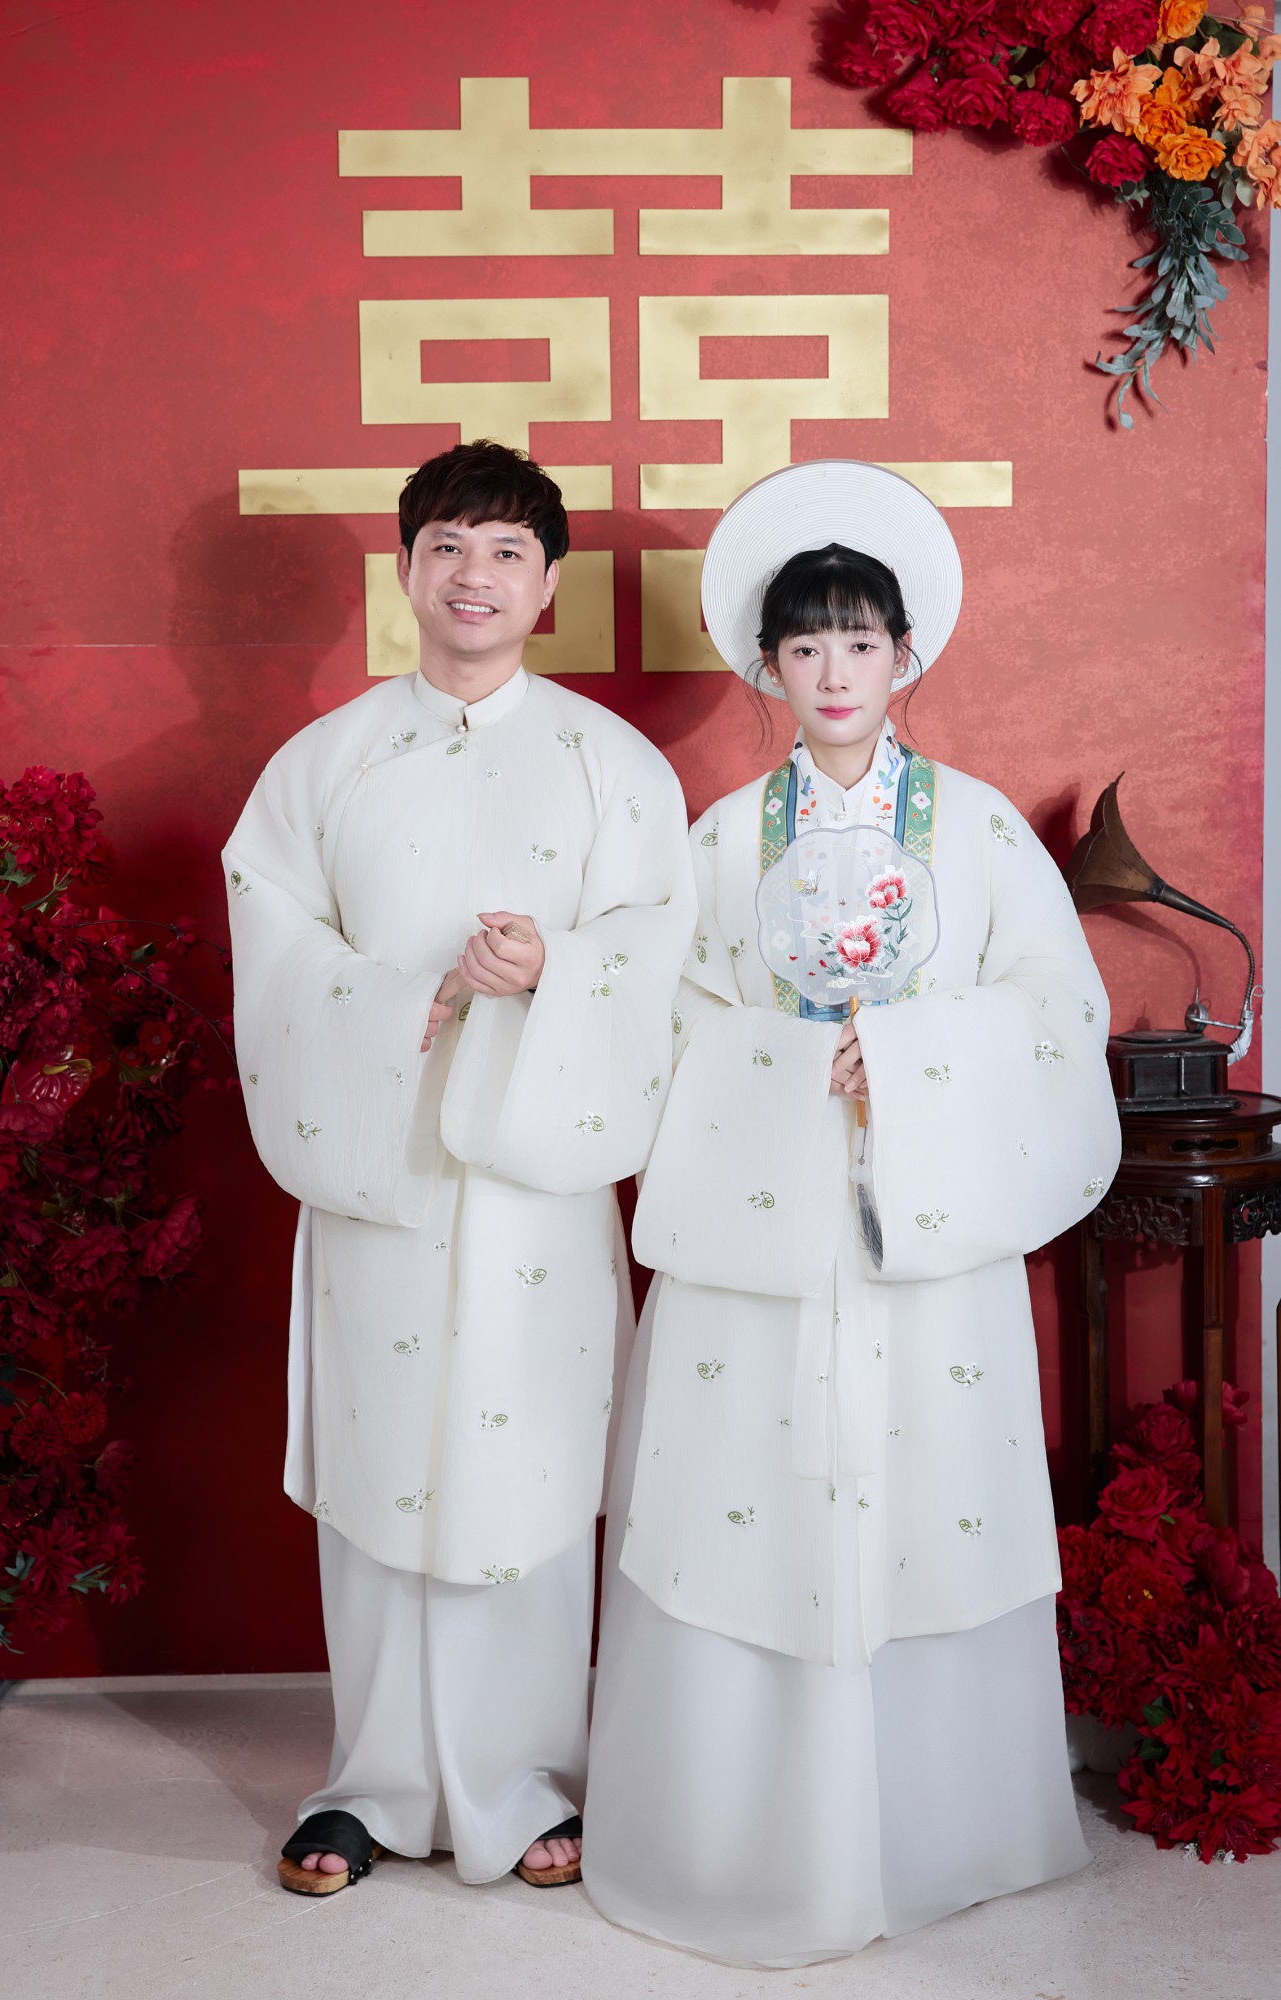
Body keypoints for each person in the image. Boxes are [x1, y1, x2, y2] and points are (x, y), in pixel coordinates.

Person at [582, 460, 1122, 1966]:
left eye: (860, 642)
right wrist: (783, 1061)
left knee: (925, 1492)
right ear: (767, 666)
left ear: (906, 657)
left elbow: (1054, 1008)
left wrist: (904, 1055)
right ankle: (735, 1837)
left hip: (916, 1219)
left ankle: (940, 1834)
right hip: (758, 1214)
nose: (832, 671)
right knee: (743, 1497)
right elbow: (667, 1015)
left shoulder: (981, 833)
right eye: (804, 644)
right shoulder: (715, 840)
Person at [224, 440, 694, 1895]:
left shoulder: (612, 764)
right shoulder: (325, 761)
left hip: (538, 1181)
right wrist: (405, 1000)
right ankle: (367, 1785)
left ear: (547, 589)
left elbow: (661, 949)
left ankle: (529, 1780)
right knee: (382, 1465)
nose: (472, 575)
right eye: (446, 545)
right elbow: (274, 937)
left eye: (504, 552)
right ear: (406, 569)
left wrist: (558, 967)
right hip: (382, 1166)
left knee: (529, 1464)